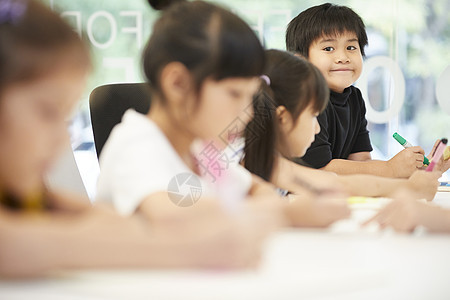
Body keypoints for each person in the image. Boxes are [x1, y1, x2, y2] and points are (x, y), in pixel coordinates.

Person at [0, 0, 272, 278]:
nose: (63, 138)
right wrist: (187, 248)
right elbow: (12, 244)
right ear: (176, 83)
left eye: (66, 117)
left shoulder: (202, 151)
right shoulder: (137, 143)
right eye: (47, 112)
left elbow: (109, 223)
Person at [242, 50, 439, 228]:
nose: (317, 127)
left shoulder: (271, 164)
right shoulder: (246, 163)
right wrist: (411, 188)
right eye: (313, 115)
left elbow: (333, 183)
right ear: (282, 118)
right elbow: (338, 185)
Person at [285, 3, 431, 178]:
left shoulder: (354, 98)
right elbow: (319, 169)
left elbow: (361, 162)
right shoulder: (306, 98)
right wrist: (390, 169)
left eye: (351, 47)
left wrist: (409, 169)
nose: (343, 58)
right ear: (300, 60)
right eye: (328, 48)